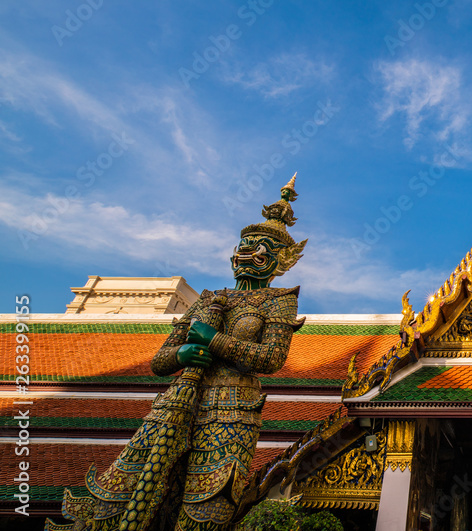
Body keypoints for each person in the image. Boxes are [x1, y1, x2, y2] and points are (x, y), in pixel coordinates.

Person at [48, 176, 307, 531]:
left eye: (260, 247)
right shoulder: (205, 299)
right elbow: (159, 362)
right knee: (121, 502)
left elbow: (271, 359)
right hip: (175, 403)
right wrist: (184, 352)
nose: (247, 253)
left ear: (280, 259)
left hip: (232, 413)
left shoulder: (279, 301)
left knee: (205, 511)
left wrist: (214, 340)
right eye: (244, 244)